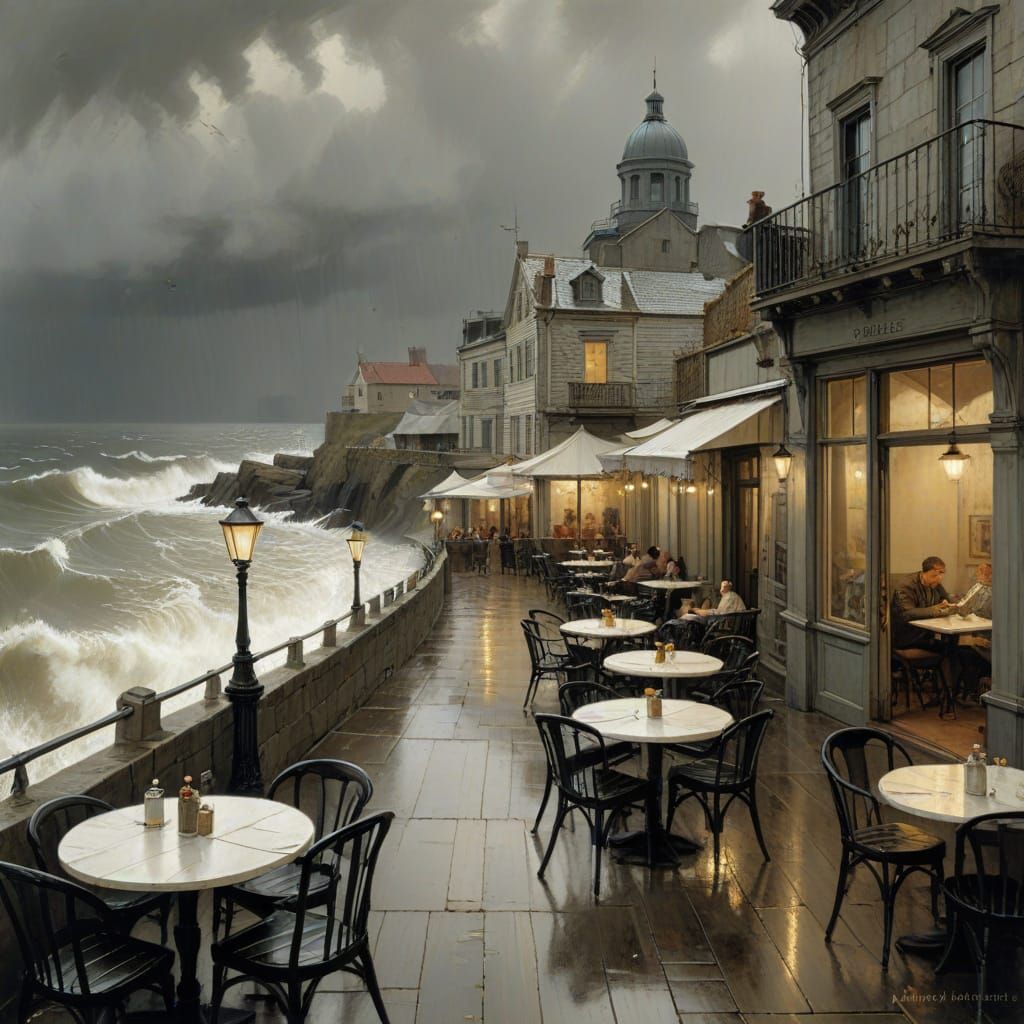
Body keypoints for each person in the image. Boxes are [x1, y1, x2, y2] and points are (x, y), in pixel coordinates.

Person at [892, 556, 954, 650]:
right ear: (924, 572)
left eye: (941, 575)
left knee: (954, 641)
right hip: (909, 635)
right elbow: (907, 613)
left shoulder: (934, 582)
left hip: (927, 631)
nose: (939, 579)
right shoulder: (906, 585)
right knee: (949, 645)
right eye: (934, 576)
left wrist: (947, 603)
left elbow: (946, 599)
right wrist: (936, 610)